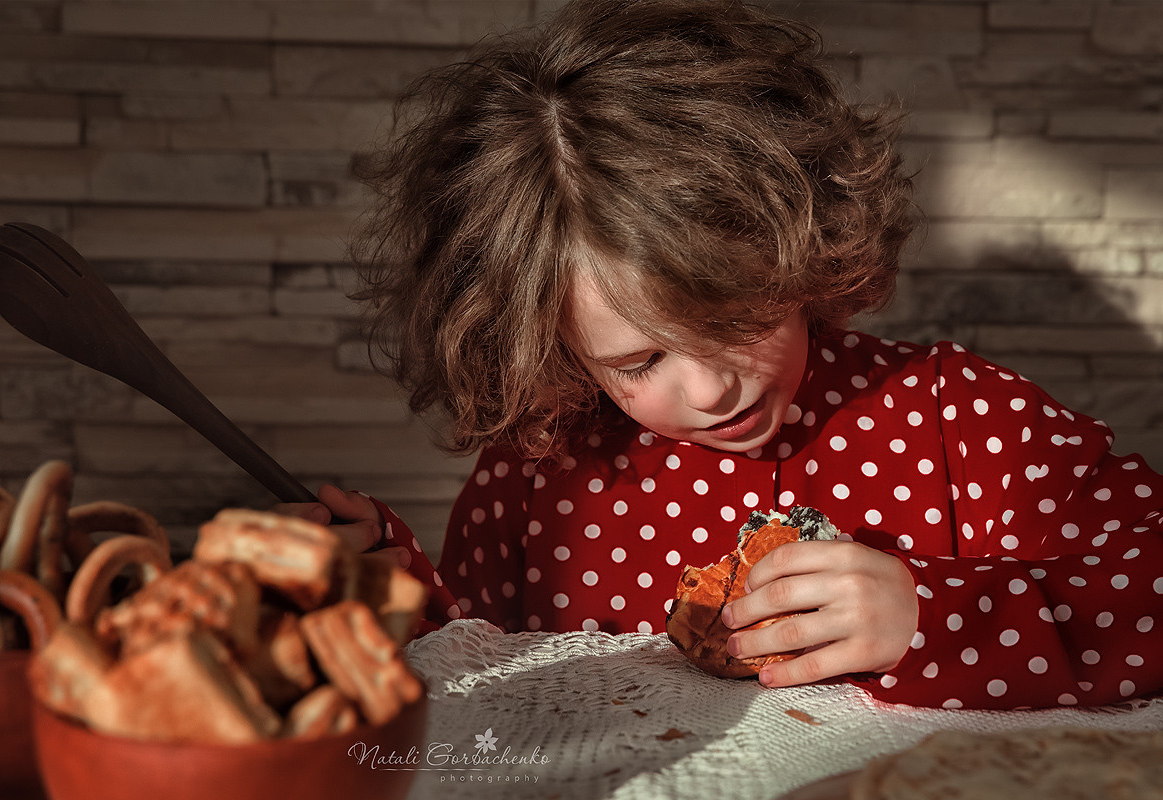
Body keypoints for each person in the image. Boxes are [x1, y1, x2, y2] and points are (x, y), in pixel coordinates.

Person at [278, 0, 1163, 711]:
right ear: (550, 348)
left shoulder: (962, 421)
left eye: (733, 319)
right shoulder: (535, 473)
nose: (707, 389)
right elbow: (490, 689)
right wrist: (396, 604)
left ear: (803, 248)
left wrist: (938, 618)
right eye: (637, 363)